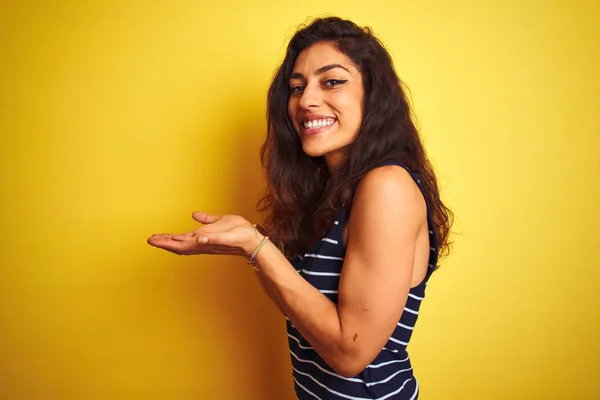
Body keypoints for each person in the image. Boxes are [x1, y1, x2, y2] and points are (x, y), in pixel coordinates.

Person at [147, 16, 453, 400]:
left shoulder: (386, 185)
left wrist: (256, 247)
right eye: (297, 87)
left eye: (332, 81)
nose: (306, 100)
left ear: (373, 96)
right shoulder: (333, 192)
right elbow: (303, 311)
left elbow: (350, 352)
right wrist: (254, 244)